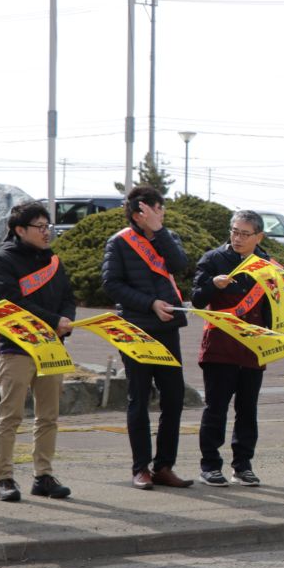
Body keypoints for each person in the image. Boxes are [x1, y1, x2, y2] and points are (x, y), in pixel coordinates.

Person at [102, 185, 193, 490]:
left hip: (167, 330)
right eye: (156, 208)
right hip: (136, 328)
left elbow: (180, 265)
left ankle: (164, 465)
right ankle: (140, 467)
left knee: (174, 397)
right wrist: (149, 303)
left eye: (162, 208)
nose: (161, 213)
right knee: (139, 398)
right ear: (140, 212)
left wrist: (161, 232)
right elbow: (111, 284)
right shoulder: (119, 243)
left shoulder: (168, 237)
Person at [0, 202, 76, 502]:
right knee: (11, 415)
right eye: (39, 227)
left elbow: (68, 295)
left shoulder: (53, 260)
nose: (46, 232)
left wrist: (66, 320)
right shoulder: (3, 260)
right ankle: (5, 477)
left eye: (47, 226)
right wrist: (55, 320)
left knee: (48, 415)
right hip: (17, 347)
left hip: (52, 347)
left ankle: (43, 475)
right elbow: (13, 303)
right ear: (20, 230)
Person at [192, 209, 277, 486]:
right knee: (216, 407)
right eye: (234, 231)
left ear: (259, 236)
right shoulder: (214, 259)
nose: (238, 238)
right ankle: (210, 465)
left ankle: (243, 464)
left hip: (253, 347)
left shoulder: (267, 264)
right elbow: (195, 299)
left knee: (248, 409)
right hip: (221, 345)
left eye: (244, 233)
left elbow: (273, 306)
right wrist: (212, 285)